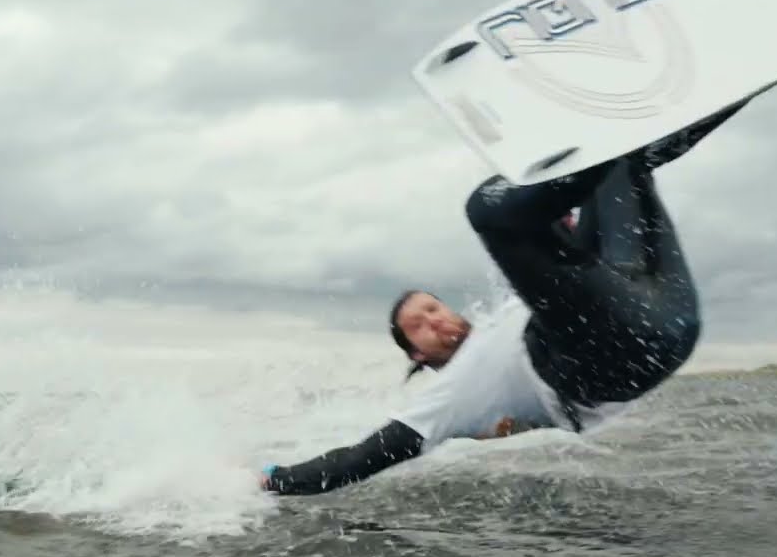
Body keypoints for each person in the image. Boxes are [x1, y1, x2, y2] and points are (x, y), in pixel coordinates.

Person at [259, 102, 748, 496]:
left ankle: (735, 81)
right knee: (488, 212)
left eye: (432, 307)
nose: (434, 319)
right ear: (417, 354)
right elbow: (361, 458)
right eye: (418, 325)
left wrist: (560, 230)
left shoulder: (505, 317)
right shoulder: (451, 396)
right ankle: (574, 152)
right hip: (615, 356)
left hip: (662, 309)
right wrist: (273, 479)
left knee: (624, 160)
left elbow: (559, 280)